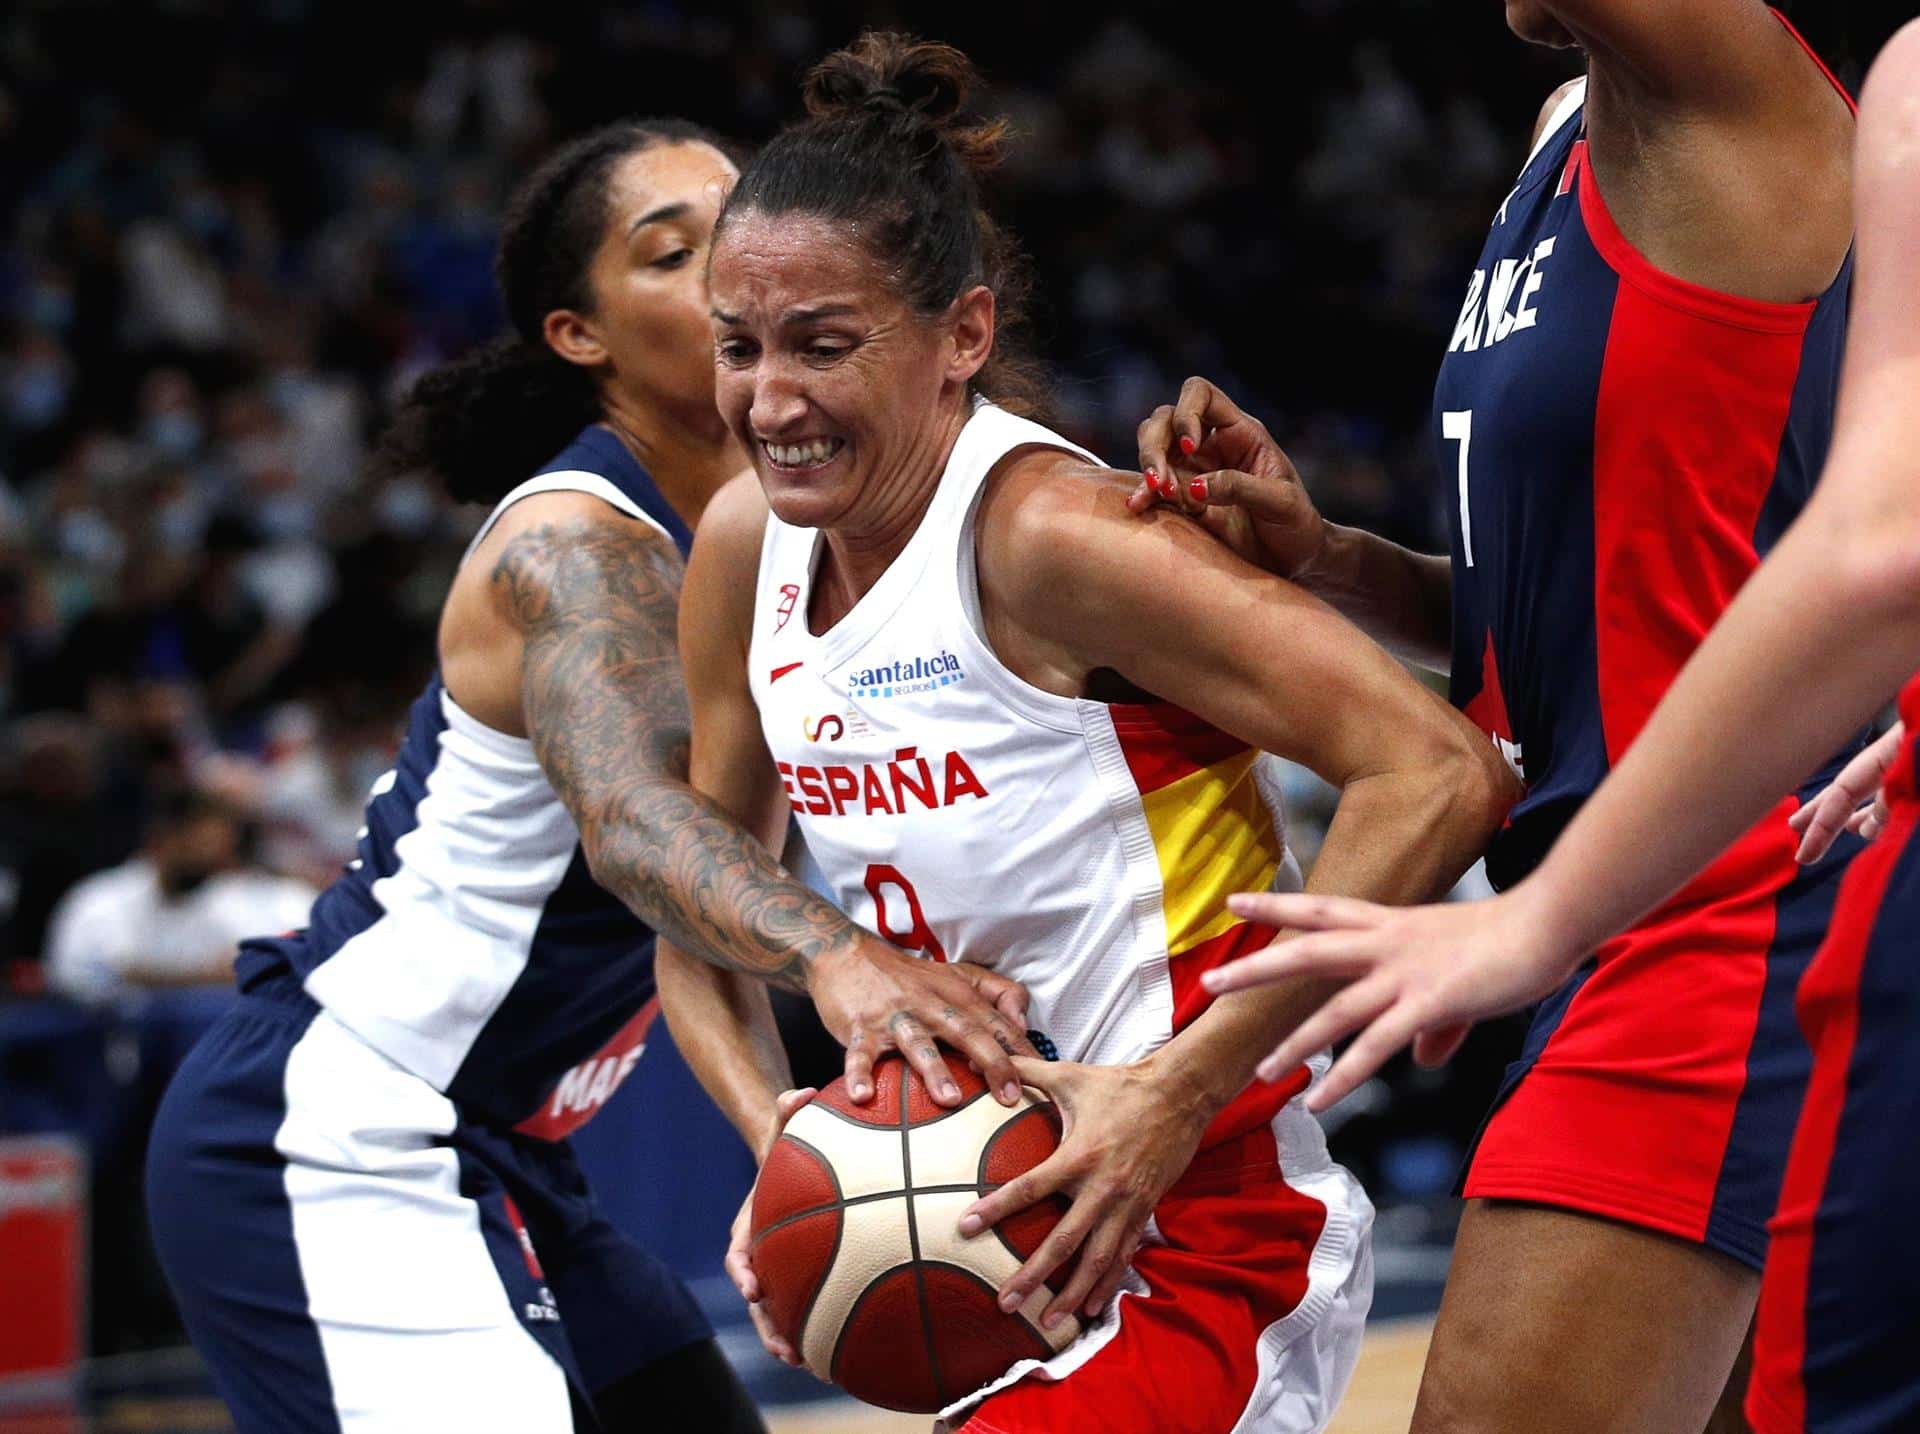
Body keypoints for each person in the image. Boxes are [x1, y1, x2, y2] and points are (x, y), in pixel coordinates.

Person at [661, 33, 1514, 1433]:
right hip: (978, 1237)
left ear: (965, 338)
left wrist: (1181, 1090)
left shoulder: (1055, 536)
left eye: (823, 346)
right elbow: (701, 899)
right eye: (738, 348)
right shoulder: (742, 544)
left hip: (1197, 1231)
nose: (769, 402)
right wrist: (800, 1155)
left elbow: (1433, 767)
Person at [143, 118, 1033, 1434]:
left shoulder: (777, 535)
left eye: (742, 219)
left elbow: (729, 885)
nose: (733, 257)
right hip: (342, 1132)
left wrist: (783, 1133)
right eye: (674, 251)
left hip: (513, 1152)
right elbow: (641, 827)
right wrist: (845, 961)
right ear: (582, 336)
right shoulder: (573, 546)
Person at [1133, 4, 1857, 1428]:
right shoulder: (1559, 142)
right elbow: (1577, 592)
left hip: (1732, 909)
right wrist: (1334, 561)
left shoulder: (1734, 87)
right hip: (1604, 910)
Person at [44, 784, 313, 1005]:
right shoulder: (100, 900)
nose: (218, 862)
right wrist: (205, 976)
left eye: (223, 850)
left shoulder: (225, 900)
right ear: (163, 839)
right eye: (202, 847)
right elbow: (92, 976)